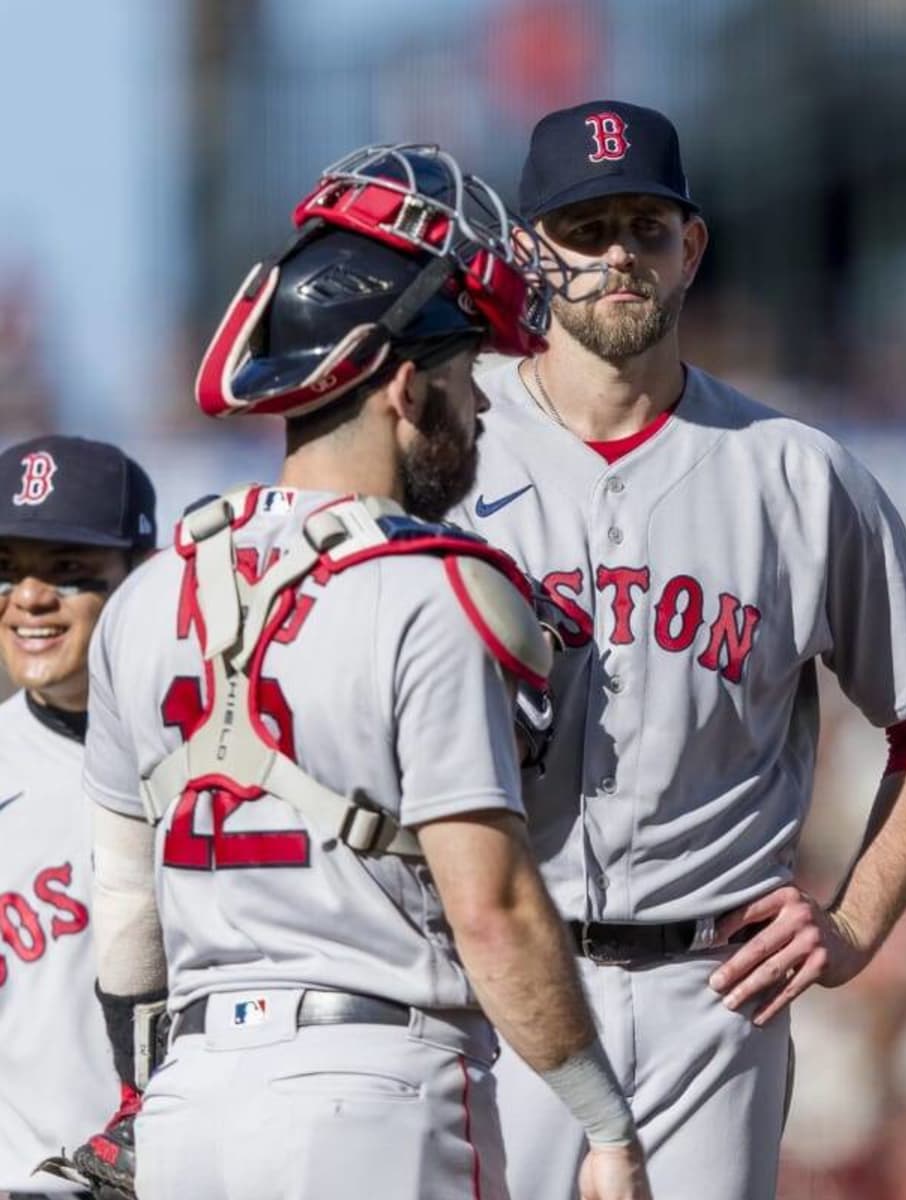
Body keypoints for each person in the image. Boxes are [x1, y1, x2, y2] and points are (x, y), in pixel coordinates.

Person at [73, 145, 650, 1200]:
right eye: (466, 376)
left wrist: (141, 1099)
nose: (478, 411)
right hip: (373, 1090)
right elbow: (493, 910)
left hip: (189, 1104)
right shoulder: (428, 592)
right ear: (399, 385)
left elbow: (125, 914)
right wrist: (603, 1124)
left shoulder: (147, 598)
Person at [455, 100, 906, 1200]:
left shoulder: (793, 473)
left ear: (689, 248)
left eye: (644, 229)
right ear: (526, 250)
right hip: (496, 973)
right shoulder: (446, 450)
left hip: (715, 991)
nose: (616, 256)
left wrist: (851, 922)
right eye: (584, 228)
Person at [0, 436, 155, 1198]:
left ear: (140, 580)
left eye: (68, 571)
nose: (29, 598)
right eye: (4, 571)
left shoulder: (209, 760)